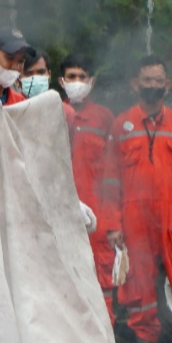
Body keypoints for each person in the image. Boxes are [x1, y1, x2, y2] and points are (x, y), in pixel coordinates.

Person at [103, 55, 172, 343]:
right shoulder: (122, 125)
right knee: (139, 285)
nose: (152, 86)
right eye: (147, 80)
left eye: (158, 81)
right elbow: (110, 180)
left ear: (167, 85)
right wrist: (113, 224)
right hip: (135, 219)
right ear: (136, 84)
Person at [60, 54, 117, 322]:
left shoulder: (105, 118)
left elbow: (113, 171)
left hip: (98, 210)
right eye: (71, 77)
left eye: (82, 77)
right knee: (64, 274)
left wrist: (113, 218)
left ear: (92, 82)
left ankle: (106, 336)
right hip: (61, 210)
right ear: (61, 81)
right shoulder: (53, 113)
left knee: (101, 275)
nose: (77, 82)